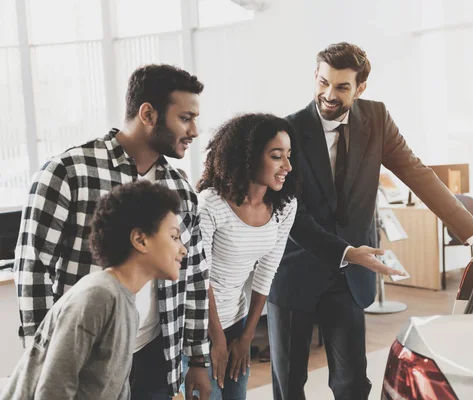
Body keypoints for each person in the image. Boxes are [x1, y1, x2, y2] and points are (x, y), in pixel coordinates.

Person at [267, 42, 473, 400]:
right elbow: (290, 213)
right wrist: (347, 251)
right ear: (315, 76)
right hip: (295, 272)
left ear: (360, 88)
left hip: (349, 278)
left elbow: (417, 173)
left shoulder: (376, 119)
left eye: (341, 87)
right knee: (289, 384)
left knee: (352, 383)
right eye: (323, 82)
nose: (328, 94)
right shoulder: (285, 130)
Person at [13, 64, 212, 399]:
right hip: (85, 358)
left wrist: (196, 357)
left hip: (156, 354)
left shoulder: (181, 189)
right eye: (185, 118)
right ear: (148, 113)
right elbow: (32, 269)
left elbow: (193, 275)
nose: (195, 130)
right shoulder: (68, 173)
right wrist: (44, 358)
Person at [1, 180, 186, 399]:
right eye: (174, 237)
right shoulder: (98, 295)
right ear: (140, 240)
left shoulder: (128, 307)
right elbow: (53, 391)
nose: (182, 249)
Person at [182, 113, 299, 400]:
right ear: (248, 156)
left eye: (288, 155)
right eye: (276, 156)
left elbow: (267, 271)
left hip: (237, 319)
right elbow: (199, 274)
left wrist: (246, 336)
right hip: (198, 324)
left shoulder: (285, 206)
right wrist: (216, 337)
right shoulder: (210, 203)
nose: (287, 166)